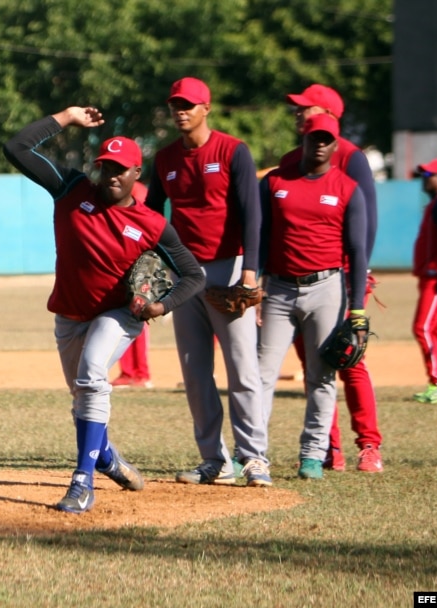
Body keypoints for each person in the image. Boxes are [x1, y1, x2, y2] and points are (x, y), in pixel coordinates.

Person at [3, 106, 204, 514]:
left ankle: (83, 482)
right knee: (81, 396)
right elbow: (17, 147)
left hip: (118, 315)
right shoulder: (72, 189)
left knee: (93, 375)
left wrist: (159, 305)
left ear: (135, 174)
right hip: (70, 314)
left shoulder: (150, 224)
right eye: (105, 166)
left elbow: (193, 274)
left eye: (120, 168)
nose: (111, 174)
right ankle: (107, 458)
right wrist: (65, 116)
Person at [145, 77, 271, 487]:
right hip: (187, 274)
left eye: (188, 105)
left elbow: (252, 213)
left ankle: (253, 458)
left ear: (205, 109)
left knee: (242, 369)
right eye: (175, 104)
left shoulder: (233, 151)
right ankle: (214, 460)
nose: (181, 110)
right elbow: (150, 214)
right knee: (195, 371)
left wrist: (250, 271)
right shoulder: (164, 158)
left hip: (229, 270)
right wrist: (155, 266)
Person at [257, 113, 368, 480]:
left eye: (326, 139)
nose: (319, 144)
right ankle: (253, 453)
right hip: (278, 288)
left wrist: (358, 310)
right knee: (260, 375)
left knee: (321, 376)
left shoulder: (347, 188)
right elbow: (260, 236)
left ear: (335, 146)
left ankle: (313, 455)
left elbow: (357, 250)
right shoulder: (274, 182)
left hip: (327, 288)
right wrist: (254, 282)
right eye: (313, 137)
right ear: (302, 140)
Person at [282, 84, 383, 473]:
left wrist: (360, 276)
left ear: (327, 114)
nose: (297, 114)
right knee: (314, 364)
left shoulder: (352, 158)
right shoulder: (292, 160)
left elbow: (367, 222)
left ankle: (369, 445)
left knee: (348, 358)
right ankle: (328, 448)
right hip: (295, 277)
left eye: (304, 108)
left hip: (340, 275)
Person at [111, 181, 154, 389]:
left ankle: (141, 373)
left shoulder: (139, 192)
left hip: (138, 262)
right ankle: (128, 372)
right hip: (119, 261)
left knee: (139, 314)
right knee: (121, 316)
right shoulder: (114, 191)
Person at [411, 159, 437, 403]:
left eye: (429, 174)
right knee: (435, 330)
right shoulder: (434, 204)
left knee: (422, 328)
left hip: (436, 278)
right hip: (430, 275)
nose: (425, 179)